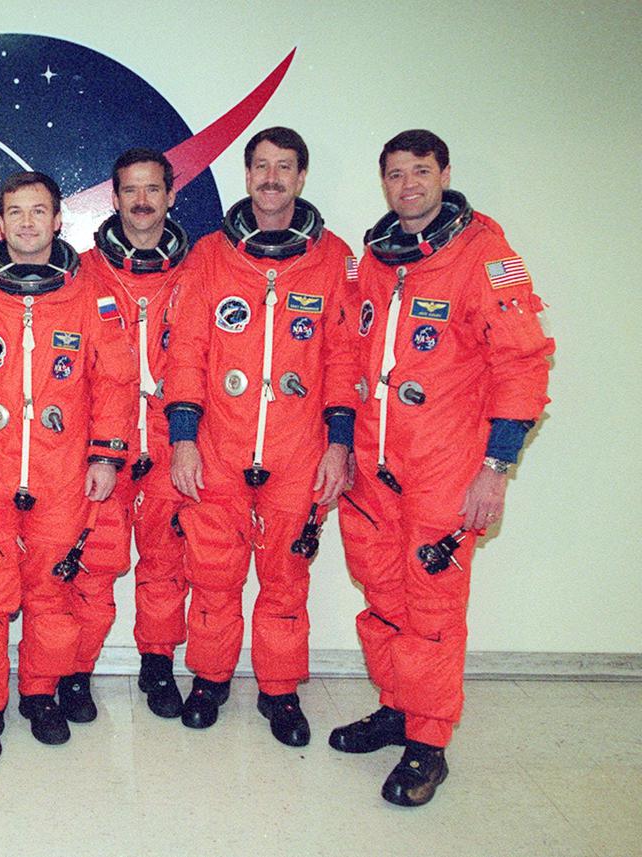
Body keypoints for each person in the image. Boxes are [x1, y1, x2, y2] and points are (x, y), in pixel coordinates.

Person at [334, 129, 553, 806]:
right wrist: (341, 443)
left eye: (420, 172)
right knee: (383, 597)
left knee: (431, 609)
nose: (408, 185)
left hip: (445, 469)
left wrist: (496, 467)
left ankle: (428, 744)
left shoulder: (485, 253)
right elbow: (349, 351)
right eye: (396, 174)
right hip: (375, 465)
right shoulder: (376, 258)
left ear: (444, 173)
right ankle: (397, 707)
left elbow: (523, 360)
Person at [0, 171, 134, 765]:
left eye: (38, 211)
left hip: (62, 477)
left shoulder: (92, 293)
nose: (26, 223)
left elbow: (114, 384)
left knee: (52, 601)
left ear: (58, 219)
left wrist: (104, 456)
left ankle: (40, 695)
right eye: (14, 212)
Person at [167, 127, 358, 745]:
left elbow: (343, 358)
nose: (271, 178)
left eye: (284, 167)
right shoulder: (208, 255)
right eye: (260, 166)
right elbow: (187, 352)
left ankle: (279, 691)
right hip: (219, 447)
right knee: (213, 576)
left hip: (297, 451)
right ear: (246, 176)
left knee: (285, 580)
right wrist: (184, 437)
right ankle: (210, 678)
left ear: (302, 178)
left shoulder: (334, 257)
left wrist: (338, 442)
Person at [74, 148, 196, 721]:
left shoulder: (198, 271)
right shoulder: (80, 271)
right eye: (130, 190)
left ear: (171, 196)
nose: (142, 201)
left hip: (174, 442)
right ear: (114, 198)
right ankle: (77, 668)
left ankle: (158, 663)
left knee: (166, 564)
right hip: (101, 448)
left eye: (153, 189)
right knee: (93, 565)